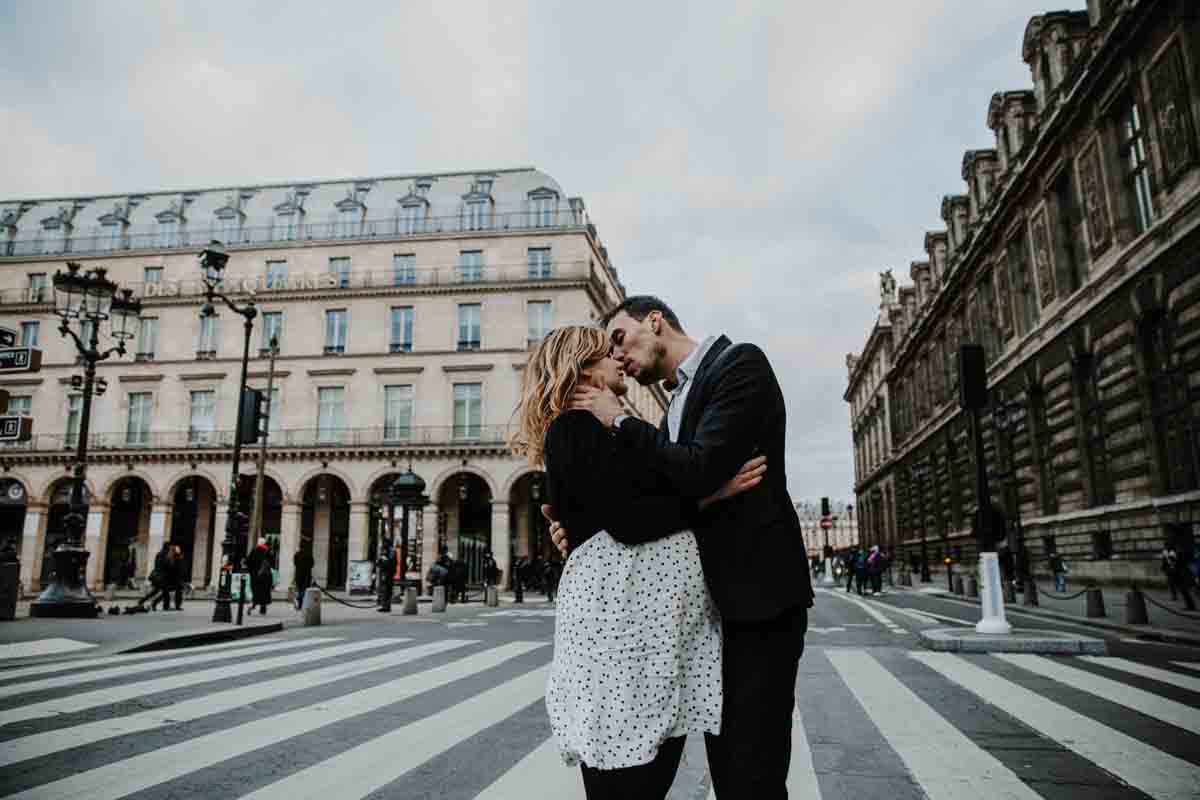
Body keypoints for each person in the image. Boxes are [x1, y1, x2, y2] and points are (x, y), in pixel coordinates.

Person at [560, 297, 814, 798]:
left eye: (619, 338)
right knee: (729, 772)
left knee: (752, 777)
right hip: (707, 613)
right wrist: (584, 528)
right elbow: (653, 498)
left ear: (655, 322)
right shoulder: (674, 405)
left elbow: (698, 470)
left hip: (756, 606)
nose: (618, 356)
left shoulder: (739, 364)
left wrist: (619, 420)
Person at [511, 325, 763, 799]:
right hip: (623, 630)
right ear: (586, 370)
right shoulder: (575, 427)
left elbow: (615, 509)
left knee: (642, 767)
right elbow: (629, 520)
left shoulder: (599, 428)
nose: (618, 360)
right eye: (607, 354)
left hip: (642, 630)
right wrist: (712, 496)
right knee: (626, 774)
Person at [137, 541, 172, 611]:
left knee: (155, 591)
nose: (171, 548)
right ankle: (163, 606)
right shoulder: (164, 554)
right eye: (170, 547)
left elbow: (158, 564)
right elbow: (165, 565)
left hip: (157, 575)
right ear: (168, 547)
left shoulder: (159, 554)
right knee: (166, 591)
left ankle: (142, 601)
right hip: (161, 576)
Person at [246, 537, 274, 615]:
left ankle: (253, 605)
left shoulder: (254, 551)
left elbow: (248, 562)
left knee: (256, 592)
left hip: (255, 576)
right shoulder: (268, 552)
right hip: (265, 576)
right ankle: (263, 608)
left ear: (258, 543)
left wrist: (251, 571)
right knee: (265, 592)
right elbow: (272, 563)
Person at [294, 543, 315, 610]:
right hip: (307, 575)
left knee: (300, 589)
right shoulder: (309, 555)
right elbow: (312, 564)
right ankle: (303, 604)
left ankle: (300, 604)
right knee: (305, 590)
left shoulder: (296, 555)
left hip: (299, 575)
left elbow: (295, 564)